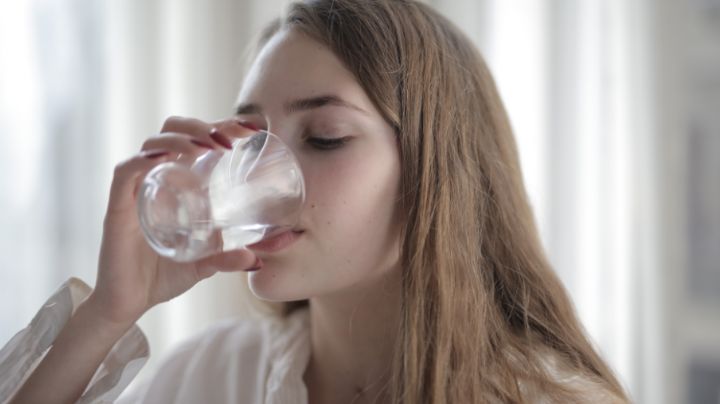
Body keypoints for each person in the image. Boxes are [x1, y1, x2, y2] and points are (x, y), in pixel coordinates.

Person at [1, 0, 630, 403]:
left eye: (324, 137)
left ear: (436, 172)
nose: (263, 178)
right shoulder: (215, 376)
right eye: (250, 140)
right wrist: (108, 314)